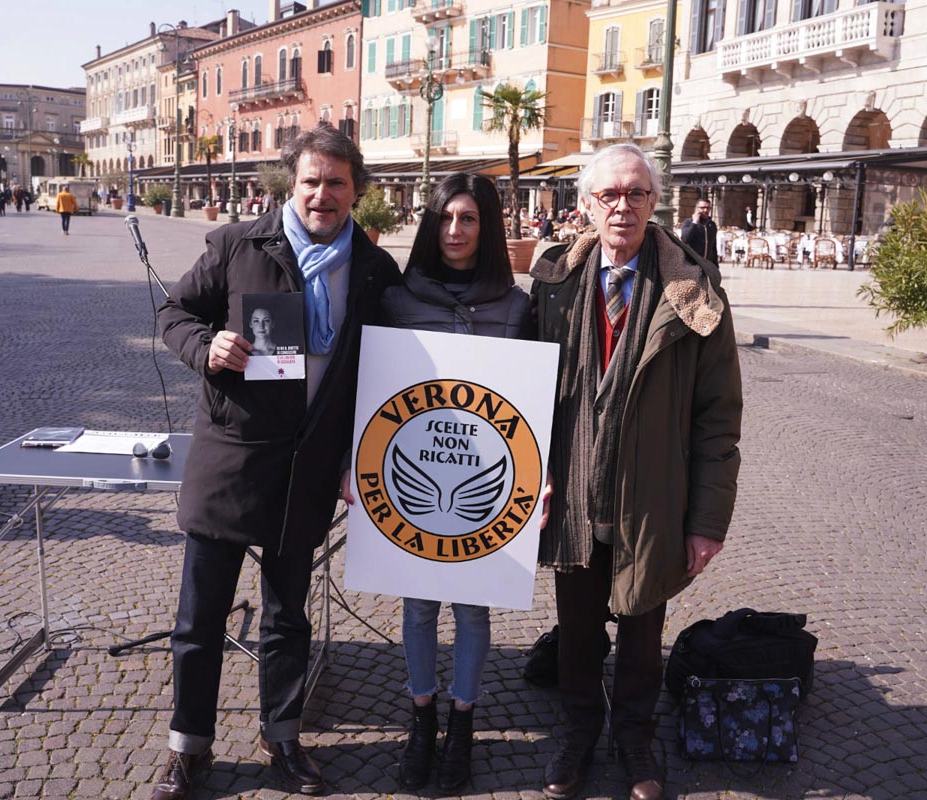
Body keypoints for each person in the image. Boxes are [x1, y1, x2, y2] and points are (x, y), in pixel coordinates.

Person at [149, 125, 401, 800]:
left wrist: (363, 457)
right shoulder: (239, 244)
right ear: (294, 182)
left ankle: (283, 738)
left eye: (337, 182)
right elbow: (173, 312)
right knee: (199, 619)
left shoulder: (375, 270)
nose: (323, 194)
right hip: (231, 460)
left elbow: (387, 369)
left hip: (309, 469)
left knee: (289, 617)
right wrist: (207, 346)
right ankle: (188, 750)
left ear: (356, 190)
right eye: (312, 180)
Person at [529, 143, 742, 800]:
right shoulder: (552, 282)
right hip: (570, 492)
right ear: (586, 204)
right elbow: (521, 391)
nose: (623, 205)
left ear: (655, 202)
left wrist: (706, 521)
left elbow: (718, 417)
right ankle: (578, 728)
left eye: (637, 193)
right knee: (578, 626)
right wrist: (523, 475)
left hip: (654, 499)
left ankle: (634, 735)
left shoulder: (694, 291)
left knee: (645, 626)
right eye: (610, 194)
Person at [354, 172, 531, 793]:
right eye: (446, 219)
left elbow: (531, 401)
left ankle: (464, 720)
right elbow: (372, 390)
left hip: (484, 477)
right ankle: (422, 717)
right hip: (415, 475)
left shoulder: (515, 306)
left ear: (487, 227)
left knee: (475, 605)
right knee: (420, 603)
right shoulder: (399, 301)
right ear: (431, 225)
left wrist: (541, 473)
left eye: (469, 219)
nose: (455, 231)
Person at [680, 198, 719, 265]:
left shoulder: (712, 225)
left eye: (708, 208)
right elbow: (685, 239)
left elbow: (713, 247)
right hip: (692, 264)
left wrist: (715, 266)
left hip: (707, 265)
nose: (706, 210)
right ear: (697, 208)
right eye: (702, 208)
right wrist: (694, 223)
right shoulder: (688, 222)